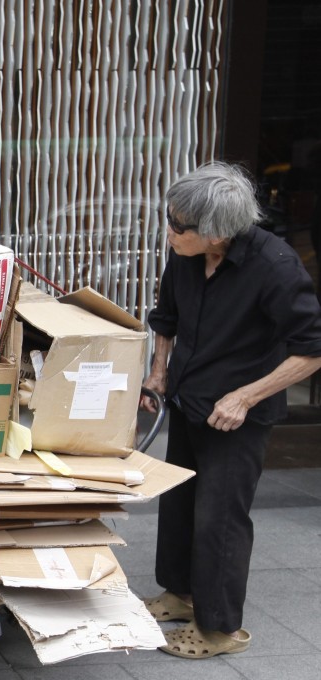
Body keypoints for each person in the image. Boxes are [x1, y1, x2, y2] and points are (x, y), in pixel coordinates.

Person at [140, 161, 321, 659]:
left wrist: (246, 395)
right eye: (169, 219)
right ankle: (180, 594)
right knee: (177, 504)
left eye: (180, 226)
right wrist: (159, 370)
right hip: (189, 396)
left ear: (217, 232)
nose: (169, 231)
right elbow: (166, 316)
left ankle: (219, 630)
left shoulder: (276, 268)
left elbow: (310, 351)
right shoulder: (185, 253)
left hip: (238, 415)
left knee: (219, 518)